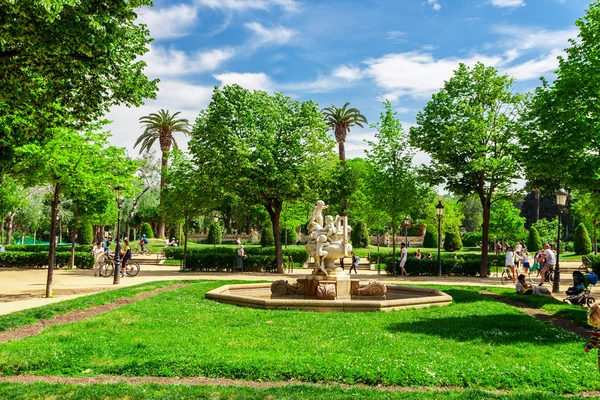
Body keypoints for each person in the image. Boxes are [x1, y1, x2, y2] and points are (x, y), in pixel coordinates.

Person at [585, 303, 600, 371]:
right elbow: (594, 339)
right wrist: (589, 346)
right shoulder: (596, 328)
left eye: (596, 321)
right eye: (593, 322)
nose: (595, 324)